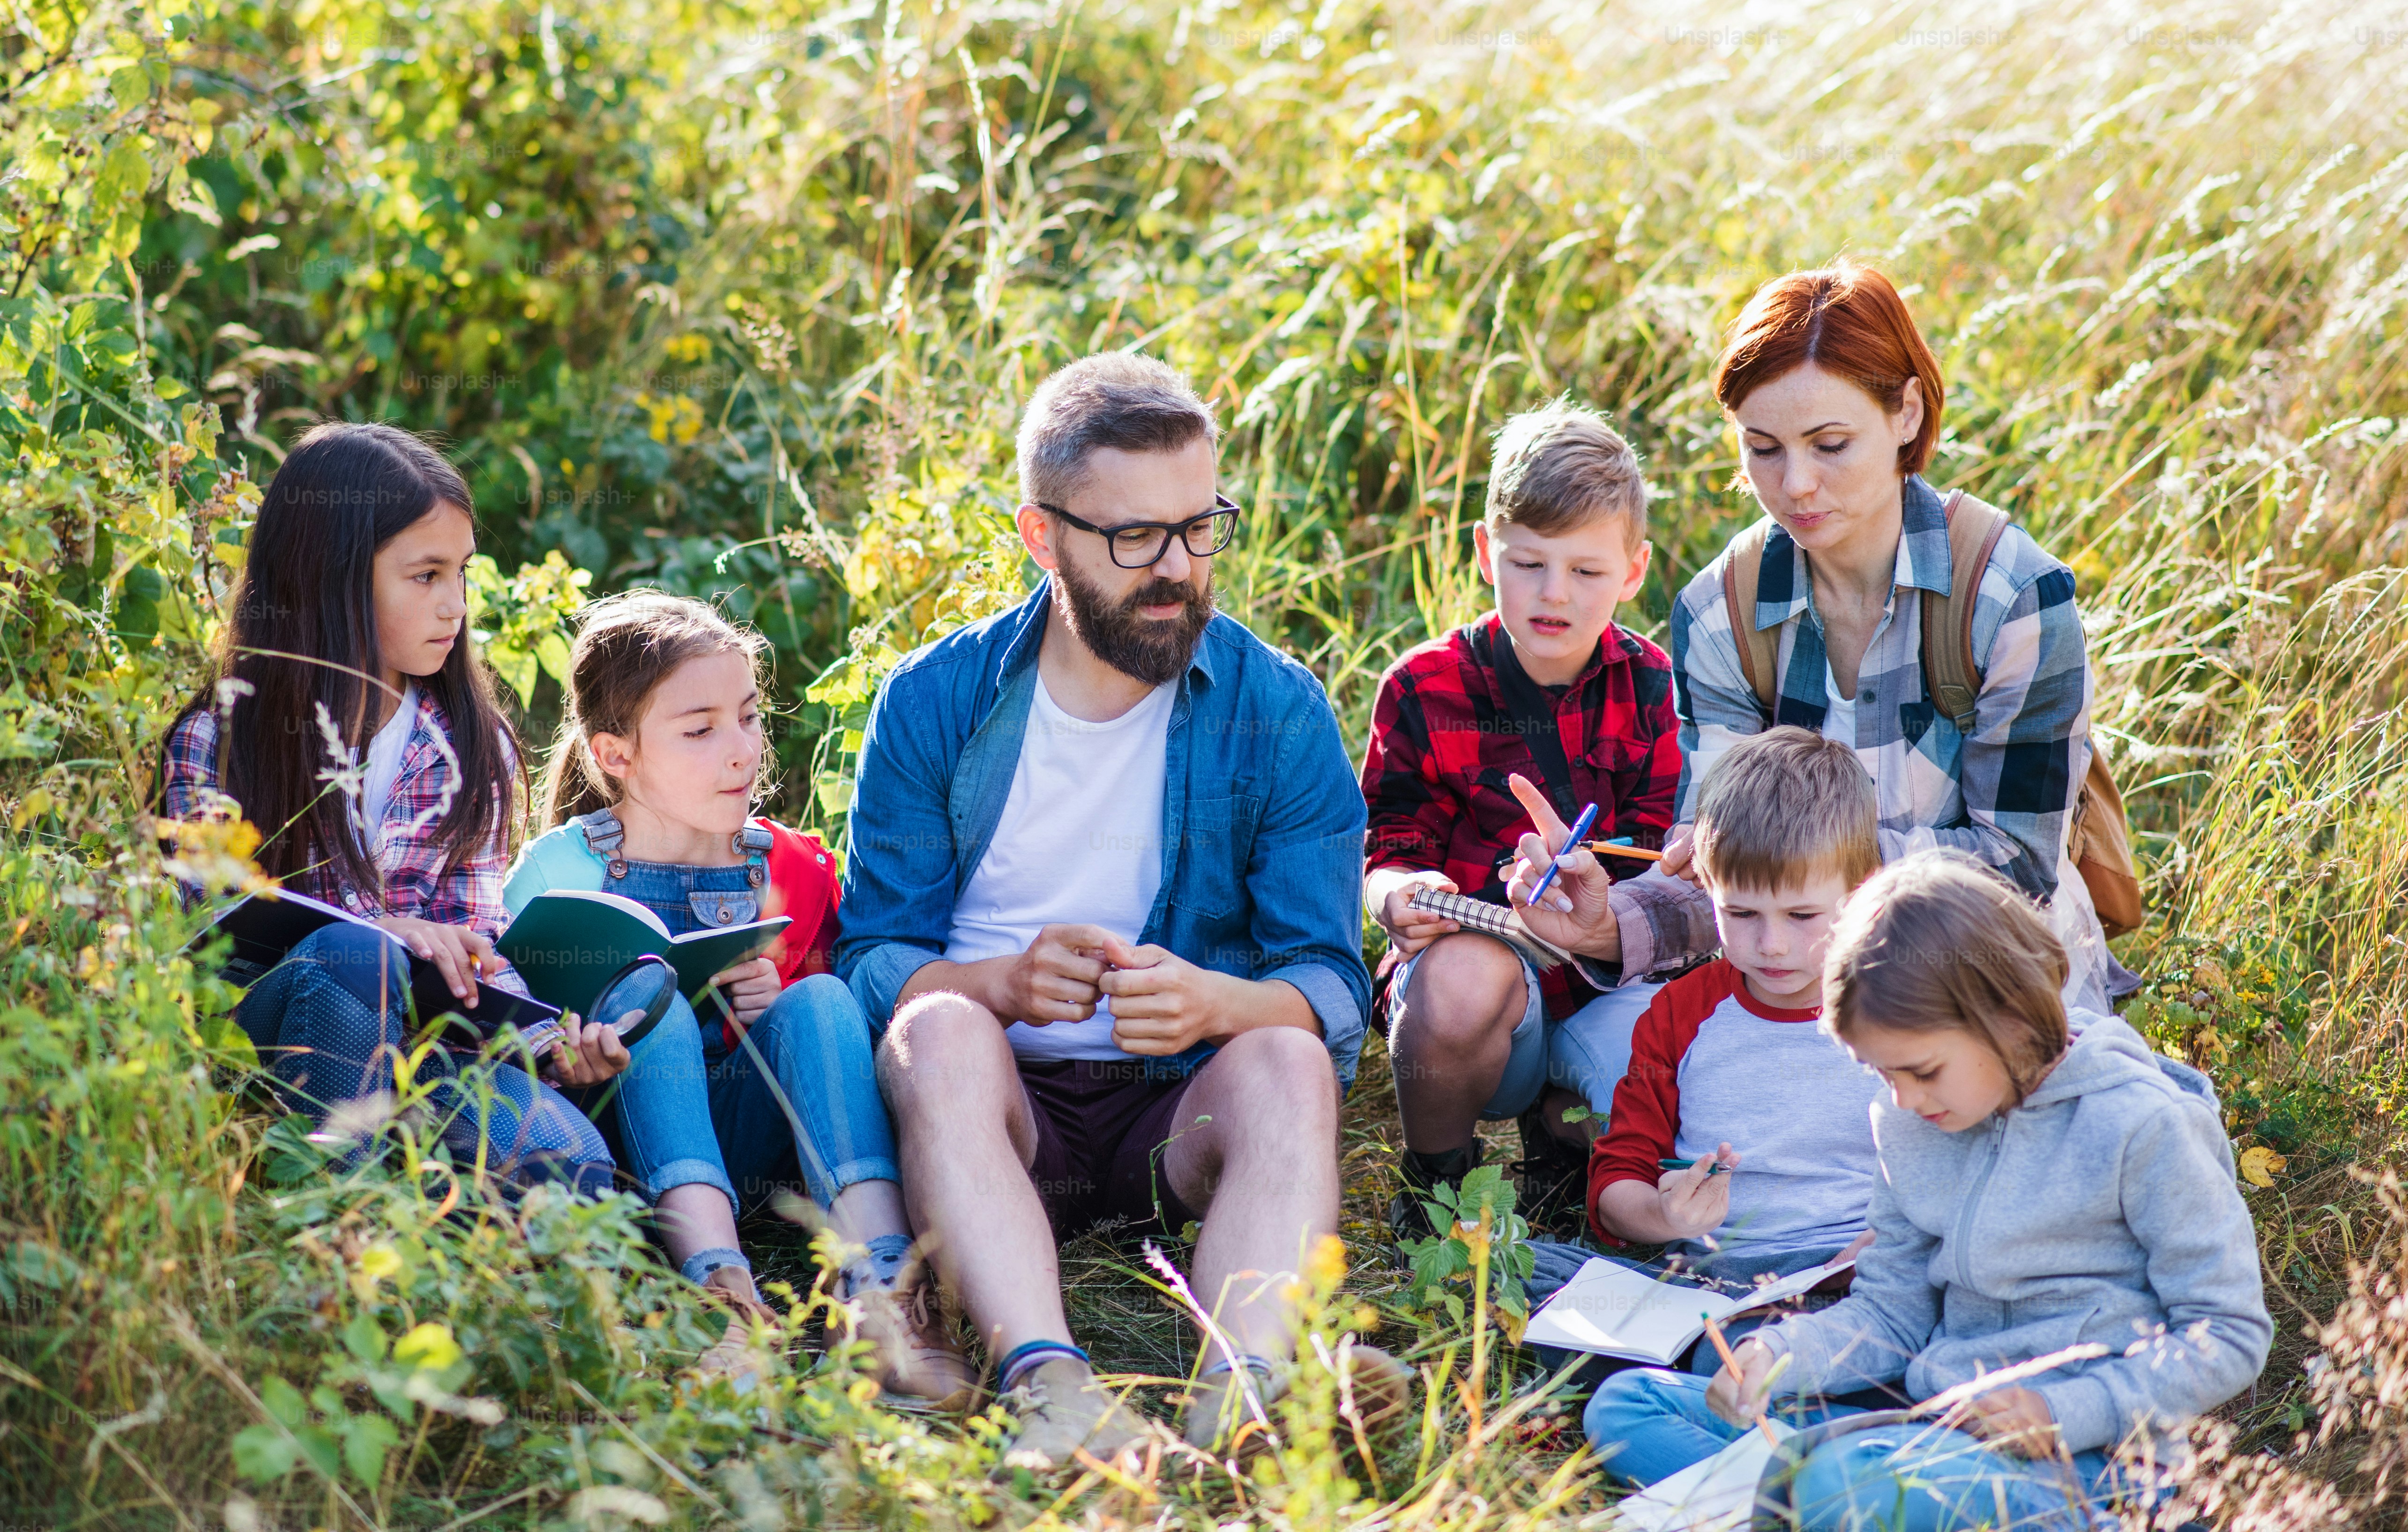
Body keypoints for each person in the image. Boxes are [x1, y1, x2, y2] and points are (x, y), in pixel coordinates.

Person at [838, 353, 1405, 1468]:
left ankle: (1244, 1402)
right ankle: (1053, 1390)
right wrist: (996, 987)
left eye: (1199, 528)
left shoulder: (1277, 708)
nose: (1178, 570)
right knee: (935, 1028)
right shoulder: (933, 700)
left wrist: (1215, 1005)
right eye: (1135, 537)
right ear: (1042, 537)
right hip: (998, 1119)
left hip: (1175, 1116)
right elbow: (872, 958)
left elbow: (1330, 982)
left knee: (1287, 1056)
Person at [1584, 850, 2271, 1530]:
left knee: (1834, 1481)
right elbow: (1892, 1315)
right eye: (1882, 1075)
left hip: (2088, 1457)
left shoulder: (2144, 1125)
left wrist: (2061, 1410)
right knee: (1629, 1404)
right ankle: (1812, 1506)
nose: (1903, 1100)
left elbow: (2228, 1332)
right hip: (1925, 1426)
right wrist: (1778, 1355)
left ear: (2006, 1017)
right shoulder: (1907, 1120)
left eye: (1922, 1072)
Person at [1532, 260, 2124, 1013]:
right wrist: (1607, 922)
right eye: (1762, 447)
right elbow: (1719, 872)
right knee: (1603, 1055)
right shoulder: (1718, 610)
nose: (1795, 484)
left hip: (1982, 981)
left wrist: (1800, 861)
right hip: (1788, 983)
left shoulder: (2011, 597)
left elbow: (2015, 869)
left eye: (1830, 444)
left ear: (1905, 412)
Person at [504, 592, 967, 1398]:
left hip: (753, 1152)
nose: (742, 750)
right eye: (700, 730)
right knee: (654, 1003)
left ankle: (880, 1289)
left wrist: (774, 1003)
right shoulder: (555, 872)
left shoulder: (791, 867)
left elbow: (835, 1053)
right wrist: (564, 1059)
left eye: (749, 718)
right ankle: (720, 1299)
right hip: (616, 1158)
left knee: (821, 1001)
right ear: (615, 754)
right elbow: (506, 1038)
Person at [159, 421, 620, 1193]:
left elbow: (474, 944)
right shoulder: (221, 738)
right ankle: (342, 1219)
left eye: (462, 573)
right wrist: (381, 935)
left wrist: (545, 1040)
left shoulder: (472, 747)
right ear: (329, 578)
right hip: (263, 1038)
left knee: (573, 1171)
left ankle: (421, 1201)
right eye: (425, 576)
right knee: (356, 958)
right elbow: (199, 935)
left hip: (424, 1048)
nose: (456, 606)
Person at [1359, 401, 1693, 1242]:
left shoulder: (1650, 684)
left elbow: (1654, 861)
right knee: (1463, 979)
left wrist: (1597, 902)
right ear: (1484, 553)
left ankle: (1559, 1141)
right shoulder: (1420, 687)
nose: (1553, 593)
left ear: (1632, 571)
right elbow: (1386, 846)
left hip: (1600, 979)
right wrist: (1398, 893)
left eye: (1585, 571)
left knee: (1674, 1098)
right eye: (1528, 563)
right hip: (1474, 989)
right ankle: (1435, 1182)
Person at [1578, 727, 1883, 1297]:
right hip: (1715, 1277)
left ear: (1862, 892)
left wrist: (1903, 1239)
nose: (1771, 946)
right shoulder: (1682, 1012)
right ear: (1708, 888)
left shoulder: (1901, 1005)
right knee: (1540, 1284)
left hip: (1864, 1269)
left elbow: (1964, 1159)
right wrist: (1664, 1217)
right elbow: (1618, 1179)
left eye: (1801, 916)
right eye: (1741, 914)